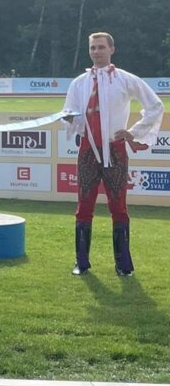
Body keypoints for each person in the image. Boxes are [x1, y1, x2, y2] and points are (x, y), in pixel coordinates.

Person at [63, 32, 164, 276]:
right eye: (92, 48)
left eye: (100, 47)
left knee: (118, 206)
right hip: (88, 150)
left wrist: (133, 132)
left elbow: (155, 105)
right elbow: (71, 113)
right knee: (84, 205)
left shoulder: (126, 79)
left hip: (115, 151)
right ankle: (82, 262)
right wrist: (69, 119)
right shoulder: (79, 83)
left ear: (111, 49)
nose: (96, 52)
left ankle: (123, 264)